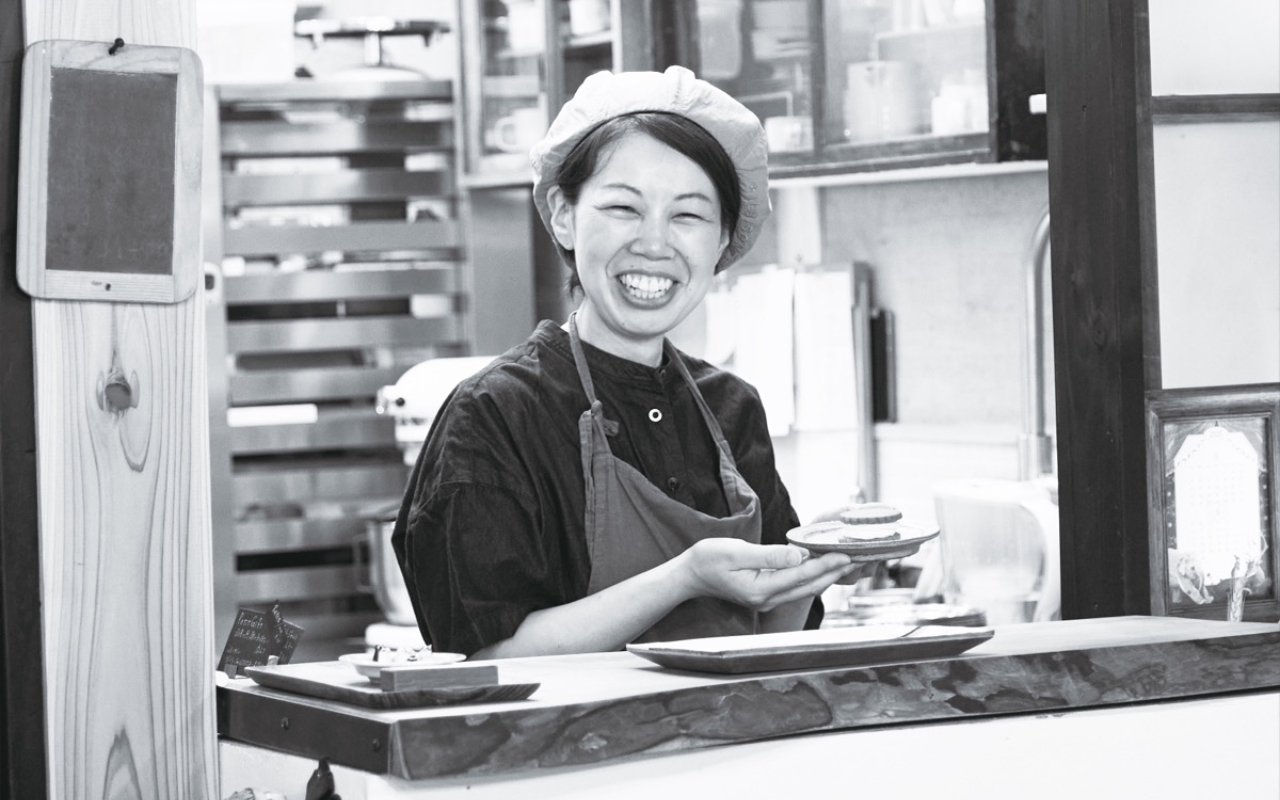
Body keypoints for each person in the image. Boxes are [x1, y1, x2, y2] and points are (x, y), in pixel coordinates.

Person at [392, 66, 861, 659]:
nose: (655, 243)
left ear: (721, 241)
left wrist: (813, 568)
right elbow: (486, 661)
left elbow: (766, 639)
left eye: (688, 215)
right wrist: (683, 577)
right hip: (565, 752)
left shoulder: (731, 408)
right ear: (564, 214)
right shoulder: (493, 417)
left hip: (737, 747)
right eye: (623, 208)